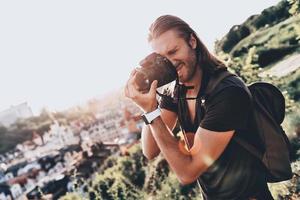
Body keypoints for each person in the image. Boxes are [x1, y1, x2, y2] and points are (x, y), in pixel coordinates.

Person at [125, 15, 274, 200]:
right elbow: (150, 150)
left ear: (192, 41)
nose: (170, 63)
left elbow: (187, 172)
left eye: (173, 51)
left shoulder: (227, 93)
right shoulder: (175, 91)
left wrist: (152, 113)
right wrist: (147, 103)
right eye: (162, 59)